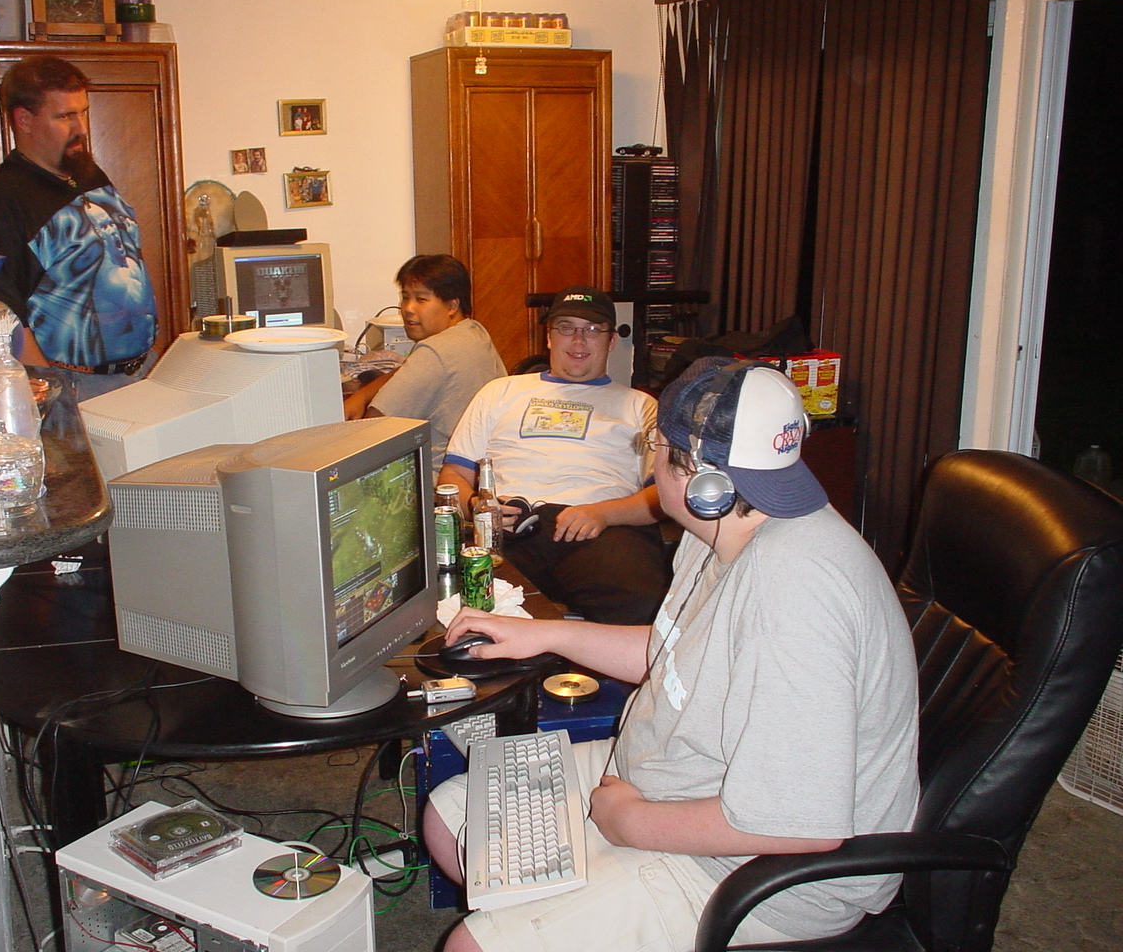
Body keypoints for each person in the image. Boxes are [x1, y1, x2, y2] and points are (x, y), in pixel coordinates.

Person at [424, 356, 920, 952]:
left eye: (655, 448)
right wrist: (551, 635)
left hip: (761, 871)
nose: (650, 462)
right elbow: (676, 655)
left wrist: (629, 822)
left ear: (698, 479)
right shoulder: (725, 528)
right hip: (679, 772)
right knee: (452, 819)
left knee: (470, 946)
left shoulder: (791, 594)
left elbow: (799, 827)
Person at [438, 286, 670, 625]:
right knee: (459, 606)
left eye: (592, 329)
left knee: (643, 609)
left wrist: (604, 513)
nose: (578, 340)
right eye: (566, 327)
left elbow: (663, 495)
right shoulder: (499, 391)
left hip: (601, 528)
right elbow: (453, 476)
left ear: (611, 341)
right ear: (549, 337)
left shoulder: (641, 406)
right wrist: (478, 506)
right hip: (511, 527)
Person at [0, 55, 158, 401]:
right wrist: (51, 396)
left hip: (143, 370)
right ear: (24, 119)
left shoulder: (88, 175)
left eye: (83, 112)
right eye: (65, 116)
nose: (81, 127)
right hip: (76, 386)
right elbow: (2, 315)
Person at [344, 255, 506, 472]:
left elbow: (375, 428)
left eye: (421, 299)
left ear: (452, 305)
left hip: (436, 477)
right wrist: (363, 395)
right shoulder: (474, 332)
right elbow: (411, 371)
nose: (408, 308)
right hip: (479, 471)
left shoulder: (435, 351)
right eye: (405, 297)